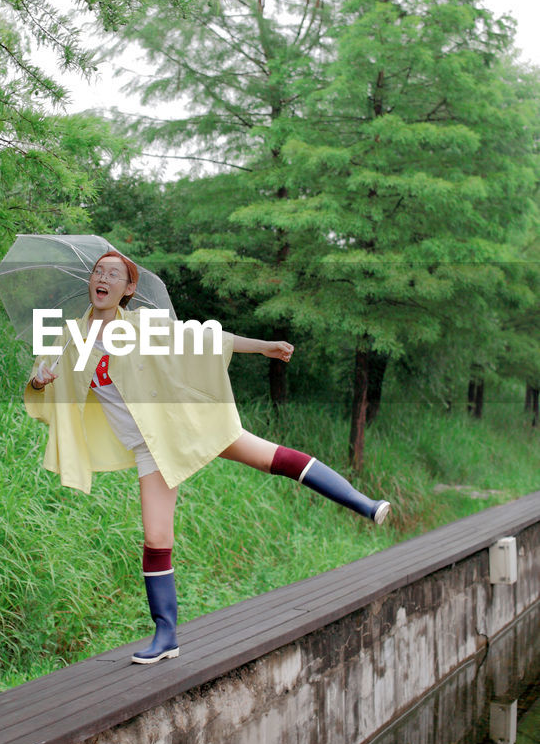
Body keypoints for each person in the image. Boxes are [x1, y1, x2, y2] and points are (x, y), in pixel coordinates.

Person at [24, 249, 390, 666]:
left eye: (113, 274)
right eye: (97, 272)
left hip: (183, 421)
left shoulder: (143, 325)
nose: (102, 279)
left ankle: (364, 503)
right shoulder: (70, 337)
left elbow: (206, 339)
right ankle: (166, 636)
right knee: (156, 539)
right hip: (151, 447)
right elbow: (40, 389)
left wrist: (263, 347)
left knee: (271, 458)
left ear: (128, 289)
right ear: (91, 282)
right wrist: (39, 381)